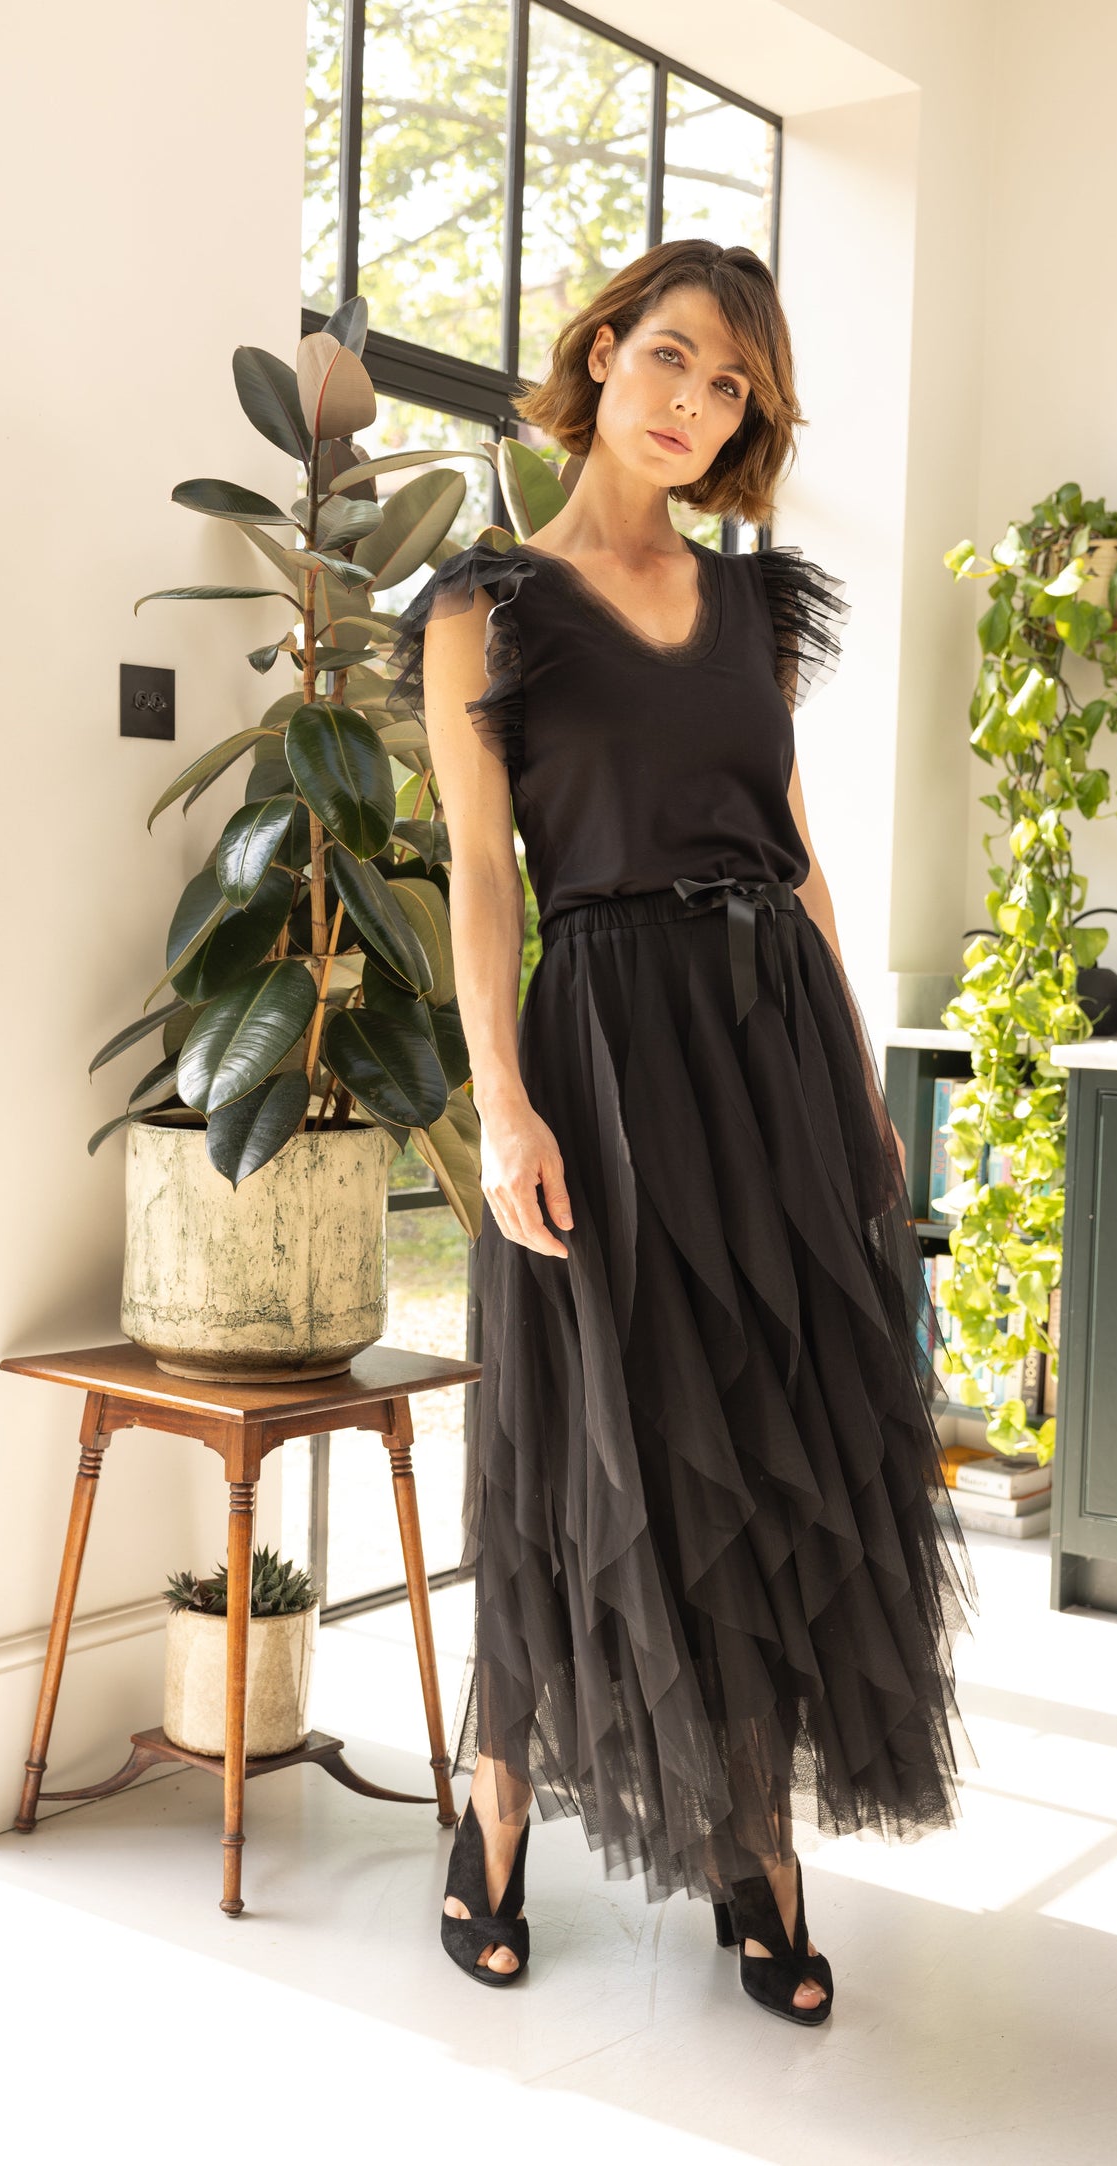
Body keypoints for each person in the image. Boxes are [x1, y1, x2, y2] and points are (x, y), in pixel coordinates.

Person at [386, 236, 978, 2023]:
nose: (693, 405)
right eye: (671, 359)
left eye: (730, 387)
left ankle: (753, 1838)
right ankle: (492, 1813)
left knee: (775, 1437)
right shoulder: (484, 606)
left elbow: (793, 854)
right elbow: (484, 887)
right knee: (597, 1440)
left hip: (775, 1058)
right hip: (605, 1053)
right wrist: (498, 1102)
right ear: (598, 351)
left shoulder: (753, 606)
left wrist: (860, 1085)